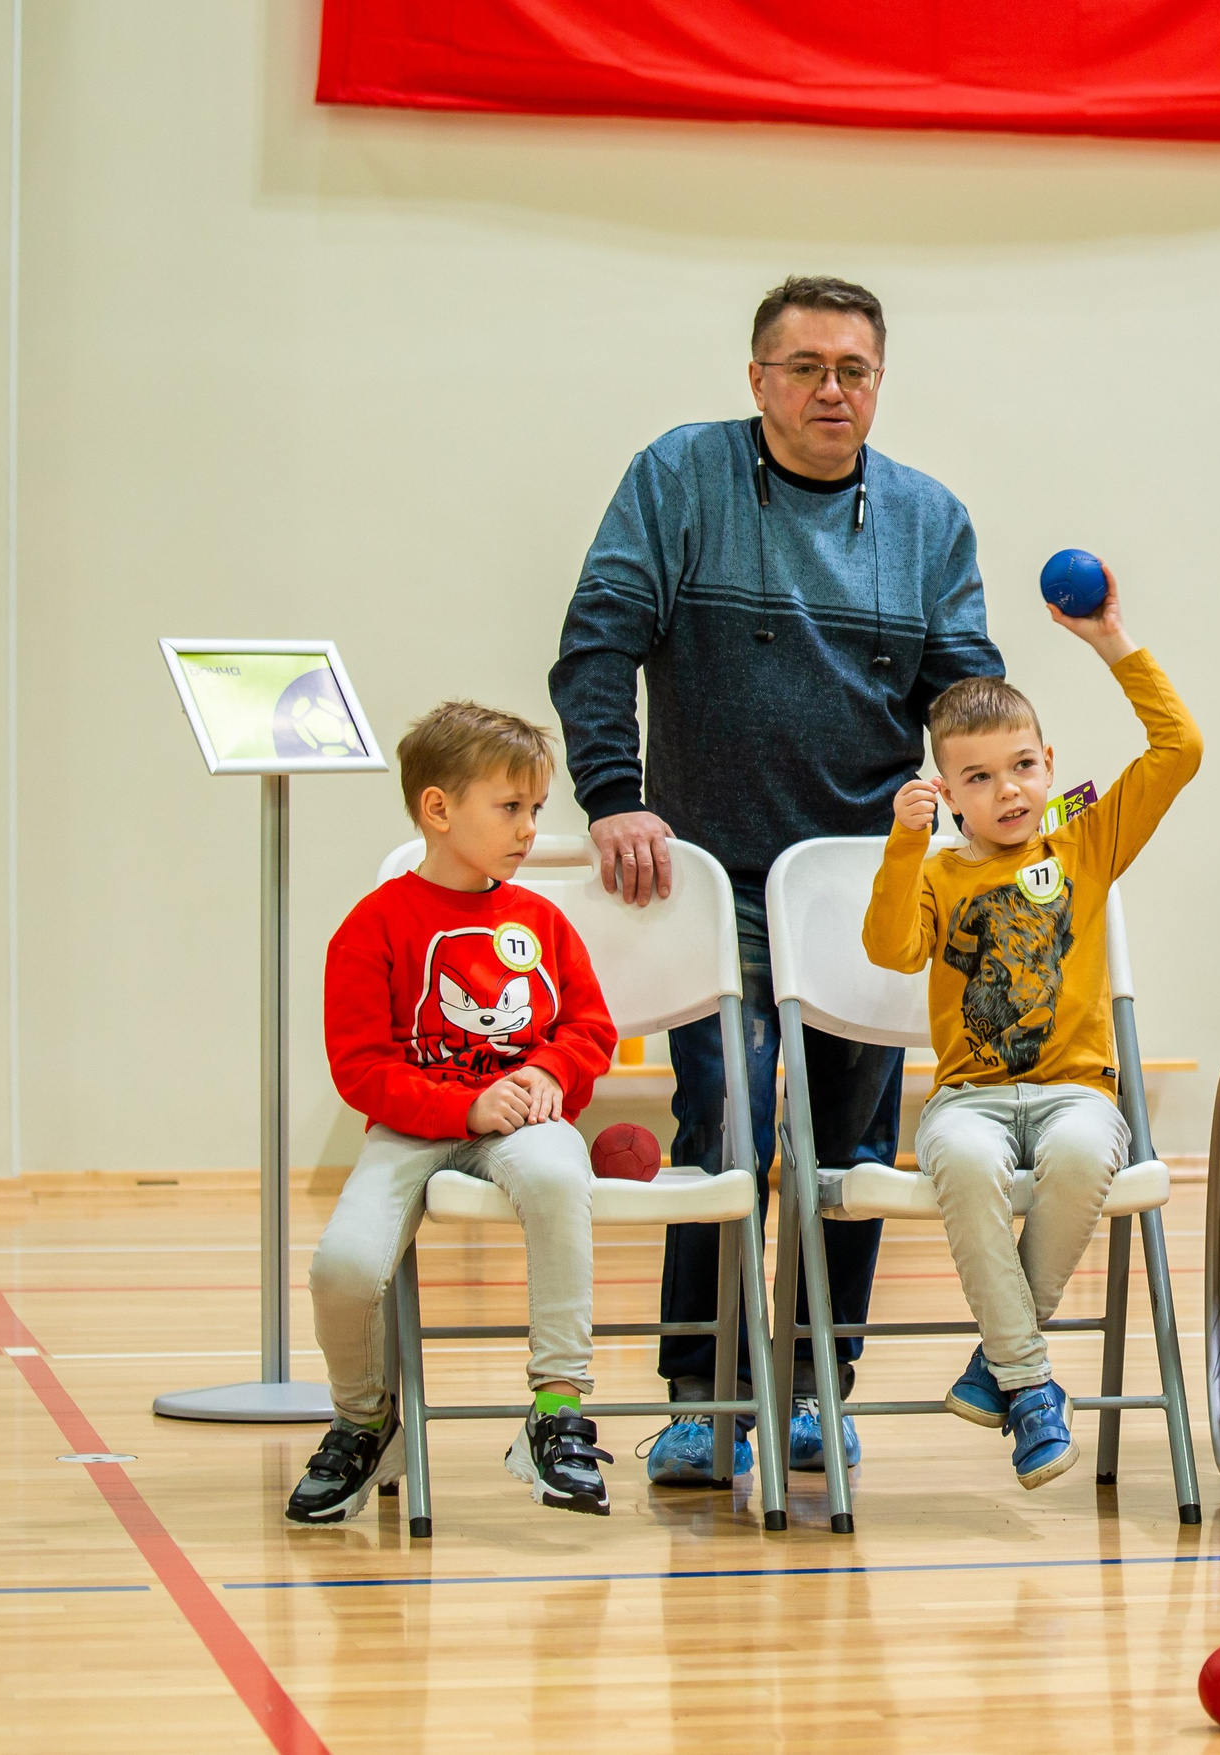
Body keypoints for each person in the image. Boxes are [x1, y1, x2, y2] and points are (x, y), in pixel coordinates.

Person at [550, 275, 1002, 1487]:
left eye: (853, 370)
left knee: (847, 1145)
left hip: (863, 884)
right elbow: (596, 641)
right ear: (756, 380)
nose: (830, 391)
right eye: (803, 368)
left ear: (878, 383)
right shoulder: (679, 479)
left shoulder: (926, 518)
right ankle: (701, 1400)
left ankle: (811, 1391)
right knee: (727, 1121)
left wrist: (993, 797)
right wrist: (612, 793)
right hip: (711, 876)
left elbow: (963, 690)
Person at [861, 563, 1202, 1489]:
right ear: (949, 790)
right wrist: (904, 842)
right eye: (979, 776)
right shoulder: (936, 871)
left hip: (1075, 1094)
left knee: (1090, 1155)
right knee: (964, 1163)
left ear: (1049, 763)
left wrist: (1110, 643)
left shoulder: (1083, 838)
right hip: (968, 1098)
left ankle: (999, 1367)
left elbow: (1180, 748)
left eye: (1023, 766)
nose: (1008, 790)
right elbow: (892, 951)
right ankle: (1032, 1380)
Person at [291, 703, 619, 1525]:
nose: (530, 829)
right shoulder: (372, 926)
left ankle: (555, 1410)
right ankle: (367, 1422)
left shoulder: (541, 920)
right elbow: (361, 1068)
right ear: (439, 810)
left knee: (556, 1180)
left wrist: (548, 1068)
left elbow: (589, 1028)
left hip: (522, 1124)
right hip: (412, 1126)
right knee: (342, 1265)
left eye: (536, 810)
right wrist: (462, 1103)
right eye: (510, 808)